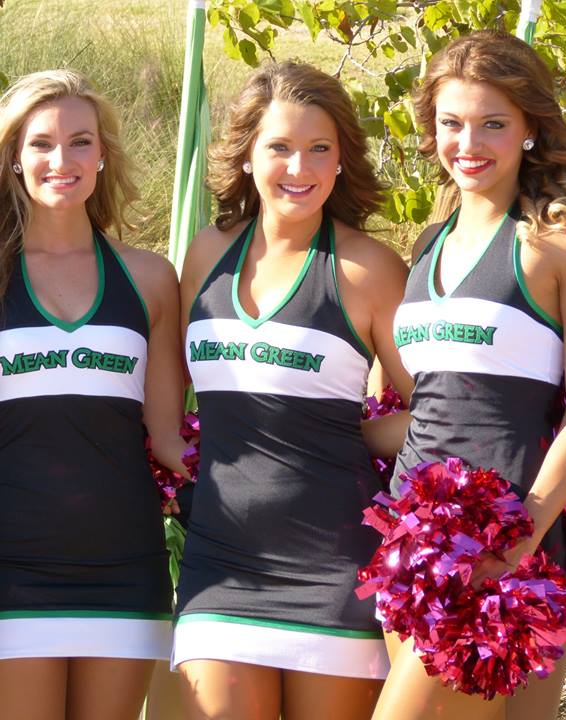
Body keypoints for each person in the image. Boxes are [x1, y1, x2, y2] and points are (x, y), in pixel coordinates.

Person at [372, 30, 566, 720]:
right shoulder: (429, 241)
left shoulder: (565, 236)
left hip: (504, 542)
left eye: (492, 124)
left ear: (531, 129)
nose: (468, 144)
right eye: (451, 123)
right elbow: (434, 407)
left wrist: (521, 536)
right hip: (410, 542)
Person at [0, 68, 186, 720]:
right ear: (14, 157)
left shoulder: (151, 279)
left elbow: (168, 439)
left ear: (103, 155)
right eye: (41, 143)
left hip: (126, 564)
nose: (61, 159)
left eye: (79, 141)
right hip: (7, 566)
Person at [173, 61, 412, 720]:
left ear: (341, 162)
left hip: (334, 569)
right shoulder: (207, 253)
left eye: (319, 149)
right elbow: (168, 382)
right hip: (218, 566)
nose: (298, 167)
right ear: (248, 155)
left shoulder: (369, 269)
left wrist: (352, 435)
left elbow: (435, 412)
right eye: (279, 146)